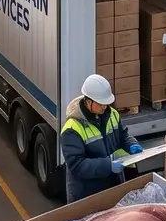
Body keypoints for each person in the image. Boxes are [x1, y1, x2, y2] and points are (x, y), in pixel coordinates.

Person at [61, 74, 143, 202]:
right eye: (101, 104)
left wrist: (131, 144)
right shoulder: (72, 129)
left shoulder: (112, 114)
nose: (105, 107)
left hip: (112, 187)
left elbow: (123, 136)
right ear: (88, 102)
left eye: (106, 103)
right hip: (87, 195)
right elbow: (77, 166)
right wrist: (107, 166)